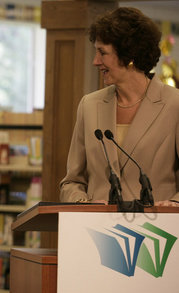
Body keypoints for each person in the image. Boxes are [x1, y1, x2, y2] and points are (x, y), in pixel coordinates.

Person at [60, 7, 179, 206]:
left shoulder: (174, 104)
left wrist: (175, 204)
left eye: (102, 53)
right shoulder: (89, 106)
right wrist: (81, 202)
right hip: (96, 232)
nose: (95, 62)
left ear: (128, 55)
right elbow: (72, 181)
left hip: (159, 232)